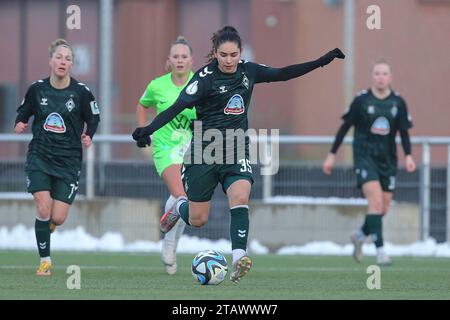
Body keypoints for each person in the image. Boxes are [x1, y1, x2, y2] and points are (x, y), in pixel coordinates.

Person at [133, 26, 345, 283]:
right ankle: (179, 207)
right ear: (215, 54)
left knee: (241, 194)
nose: (229, 60)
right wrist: (147, 130)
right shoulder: (203, 79)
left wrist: (322, 62)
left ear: (240, 52)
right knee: (198, 219)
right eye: (224, 55)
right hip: (204, 151)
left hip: (236, 148)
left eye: (234, 54)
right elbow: (176, 108)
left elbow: (283, 74)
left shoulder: (249, 71)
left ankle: (238, 258)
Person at [14, 38, 100, 276]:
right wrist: (20, 122)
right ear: (51, 61)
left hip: (69, 161)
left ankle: (47, 227)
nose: (63, 62)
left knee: (58, 217)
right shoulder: (37, 89)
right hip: (39, 157)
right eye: (59, 57)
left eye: (68, 58)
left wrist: (88, 135)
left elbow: (93, 117)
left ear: (72, 64)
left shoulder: (81, 92)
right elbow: (24, 111)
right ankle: (45, 262)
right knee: (43, 208)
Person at [322, 60, 416, 266]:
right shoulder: (361, 101)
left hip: (388, 160)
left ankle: (359, 235)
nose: (381, 77)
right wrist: (332, 154)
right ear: (372, 76)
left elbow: (404, 132)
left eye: (384, 73)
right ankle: (381, 251)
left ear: (390, 77)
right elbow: (345, 127)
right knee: (375, 203)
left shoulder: (398, 103)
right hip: (365, 158)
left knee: (383, 208)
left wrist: (408, 155)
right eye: (377, 73)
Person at [135, 36, 197, 275]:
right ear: (169, 61)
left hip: (194, 150)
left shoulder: (200, 84)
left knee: (186, 202)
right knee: (181, 197)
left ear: (191, 61)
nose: (180, 60)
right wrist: (144, 134)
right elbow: (142, 105)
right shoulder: (157, 85)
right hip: (165, 148)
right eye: (176, 56)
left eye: (184, 56)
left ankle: (170, 242)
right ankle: (169, 246)